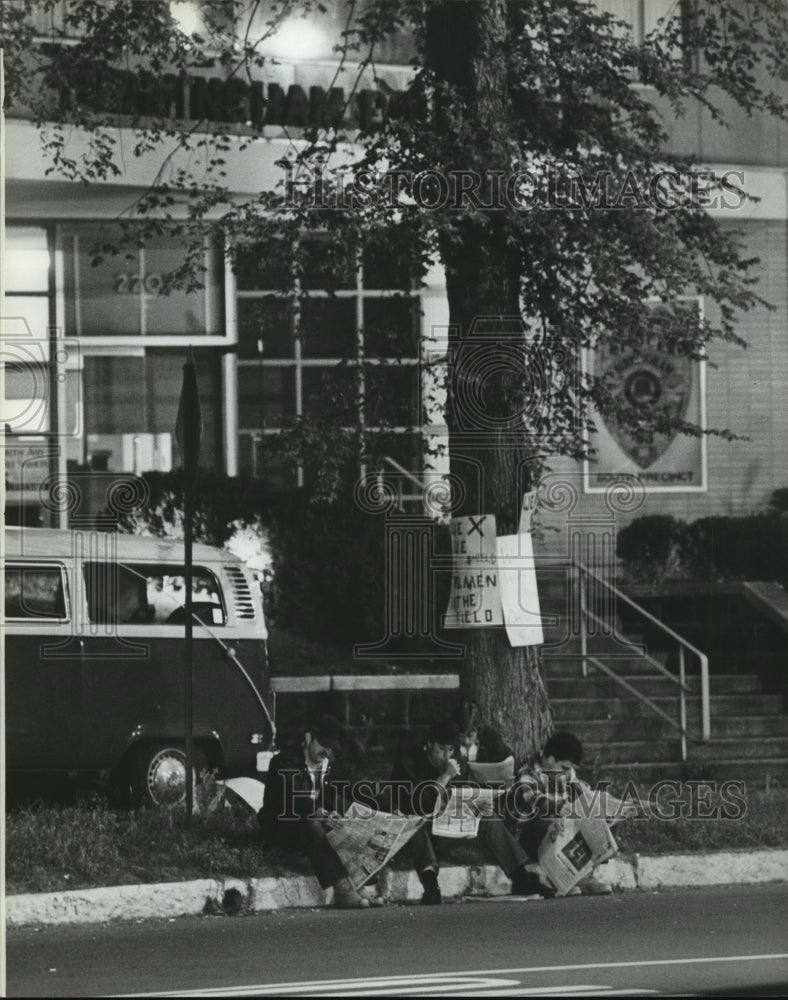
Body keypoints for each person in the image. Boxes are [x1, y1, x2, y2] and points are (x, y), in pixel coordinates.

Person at [389, 720, 545, 904]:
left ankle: (521, 877)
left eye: (451, 749)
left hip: (450, 828)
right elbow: (416, 806)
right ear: (429, 745)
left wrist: (480, 804)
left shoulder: (457, 761)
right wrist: (445, 777)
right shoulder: (410, 762)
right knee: (416, 823)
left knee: (488, 816)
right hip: (423, 833)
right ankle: (431, 886)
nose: (447, 755)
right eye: (441, 748)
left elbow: (465, 793)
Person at [258, 715, 380, 908]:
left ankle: (358, 885)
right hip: (282, 827)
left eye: (331, 747)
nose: (327, 751)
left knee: (347, 825)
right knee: (312, 822)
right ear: (308, 738)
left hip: (316, 827)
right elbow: (292, 797)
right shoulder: (284, 762)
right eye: (323, 744)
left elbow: (353, 788)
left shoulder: (329, 765)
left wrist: (385, 807)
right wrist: (320, 812)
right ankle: (342, 889)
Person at [507, 731, 634, 896]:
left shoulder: (567, 774)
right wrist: (560, 809)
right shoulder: (528, 773)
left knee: (599, 818)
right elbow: (534, 799)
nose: (568, 773)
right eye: (565, 768)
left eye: (570, 769)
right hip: (532, 835)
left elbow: (584, 793)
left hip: (562, 829)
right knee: (547, 821)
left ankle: (584, 875)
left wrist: (616, 807)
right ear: (551, 759)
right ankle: (566, 879)